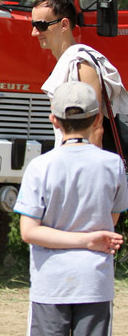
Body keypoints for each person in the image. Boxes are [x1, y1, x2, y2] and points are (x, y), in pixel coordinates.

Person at [14, 81, 128, 336]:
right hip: (95, 282)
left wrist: (83, 240)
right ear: (98, 119)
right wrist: (89, 239)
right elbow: (112, 217)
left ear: (54, 120)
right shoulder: (113, 164)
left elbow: (29, 232)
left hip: (51, 284)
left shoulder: (40, 166)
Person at [31, 0, 128, 146]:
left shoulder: (81, 64)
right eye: (33, 25)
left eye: (41, 25)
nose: (34, 33)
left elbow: (94, 128)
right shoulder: (68, 62)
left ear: (64, 24)